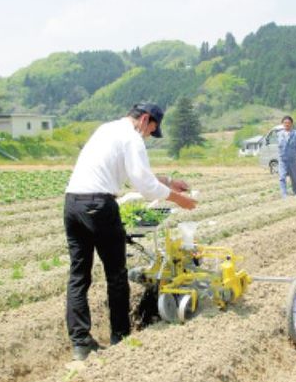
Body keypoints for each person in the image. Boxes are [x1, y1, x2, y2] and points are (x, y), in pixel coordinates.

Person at [63, 103, 197, 360]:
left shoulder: (106, 130)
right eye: (150, 131)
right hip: (98, 205)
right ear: (145, 119)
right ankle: (120, 337)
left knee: (79, 275)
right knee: (116, 273)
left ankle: (80, 344)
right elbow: (144, 184)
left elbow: (135, 174)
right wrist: (178, 199)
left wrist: (169, 182)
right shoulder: (132, 138)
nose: (147, 136)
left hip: (72, 203)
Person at [277, 115, 296, 197]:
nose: (287, 124)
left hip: (292, 159)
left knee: (294, 177)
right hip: (282, 159)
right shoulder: (279, 134)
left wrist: (292, 153)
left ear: (291, 124)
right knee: (282, 177)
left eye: (288, 123)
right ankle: (284, 195)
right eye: (285, 123)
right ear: (282, 124)